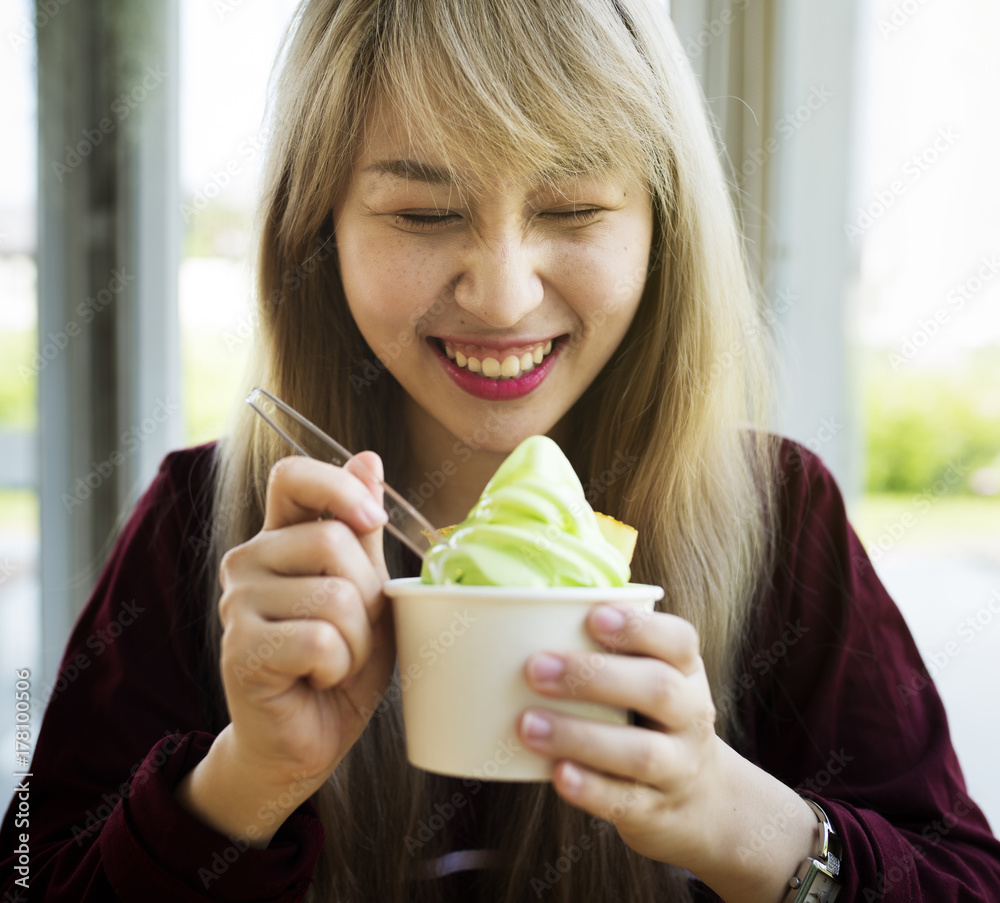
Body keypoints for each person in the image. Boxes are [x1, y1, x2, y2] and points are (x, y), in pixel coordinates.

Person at [3, 1, 999, 901]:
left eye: (572, 210)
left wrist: (735, 818)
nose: (504, 295)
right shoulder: (205, 530)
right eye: (423, 214)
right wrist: (244, 780)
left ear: (663, 227)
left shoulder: (779, 518)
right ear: (319, 233)